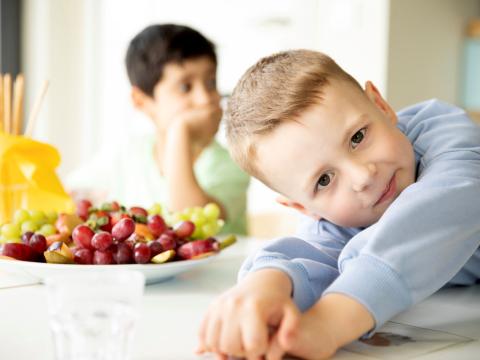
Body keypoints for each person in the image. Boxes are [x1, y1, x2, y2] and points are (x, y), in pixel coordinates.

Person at [196, 49, 480, 359]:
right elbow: (314, 252)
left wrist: (328, 324)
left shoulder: (446, 135)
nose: (363, 176)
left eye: (358, 137)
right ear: (304, 208)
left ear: (381, 106)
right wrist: (267, 285)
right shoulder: (337, 216)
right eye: (324, 180)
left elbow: (447, 204)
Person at [66, 24, 249, 235]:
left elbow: (190, 222)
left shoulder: (231, 162)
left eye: (210, 82)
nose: (205, 98)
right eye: (185, 87)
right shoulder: (127, 154)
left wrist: (180, 131)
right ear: (141, 101)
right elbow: (68, 193)